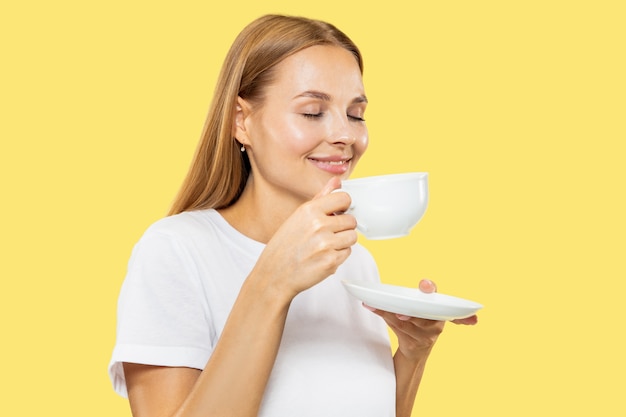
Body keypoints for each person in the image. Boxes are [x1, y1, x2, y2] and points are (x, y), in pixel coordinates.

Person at [108, 14, 477, 417]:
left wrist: (412, 354)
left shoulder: (355, 262)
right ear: (241, 121)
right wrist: (271, 283)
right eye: (313, 111)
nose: (345, 136)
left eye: (356, 113)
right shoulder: (176, 252)